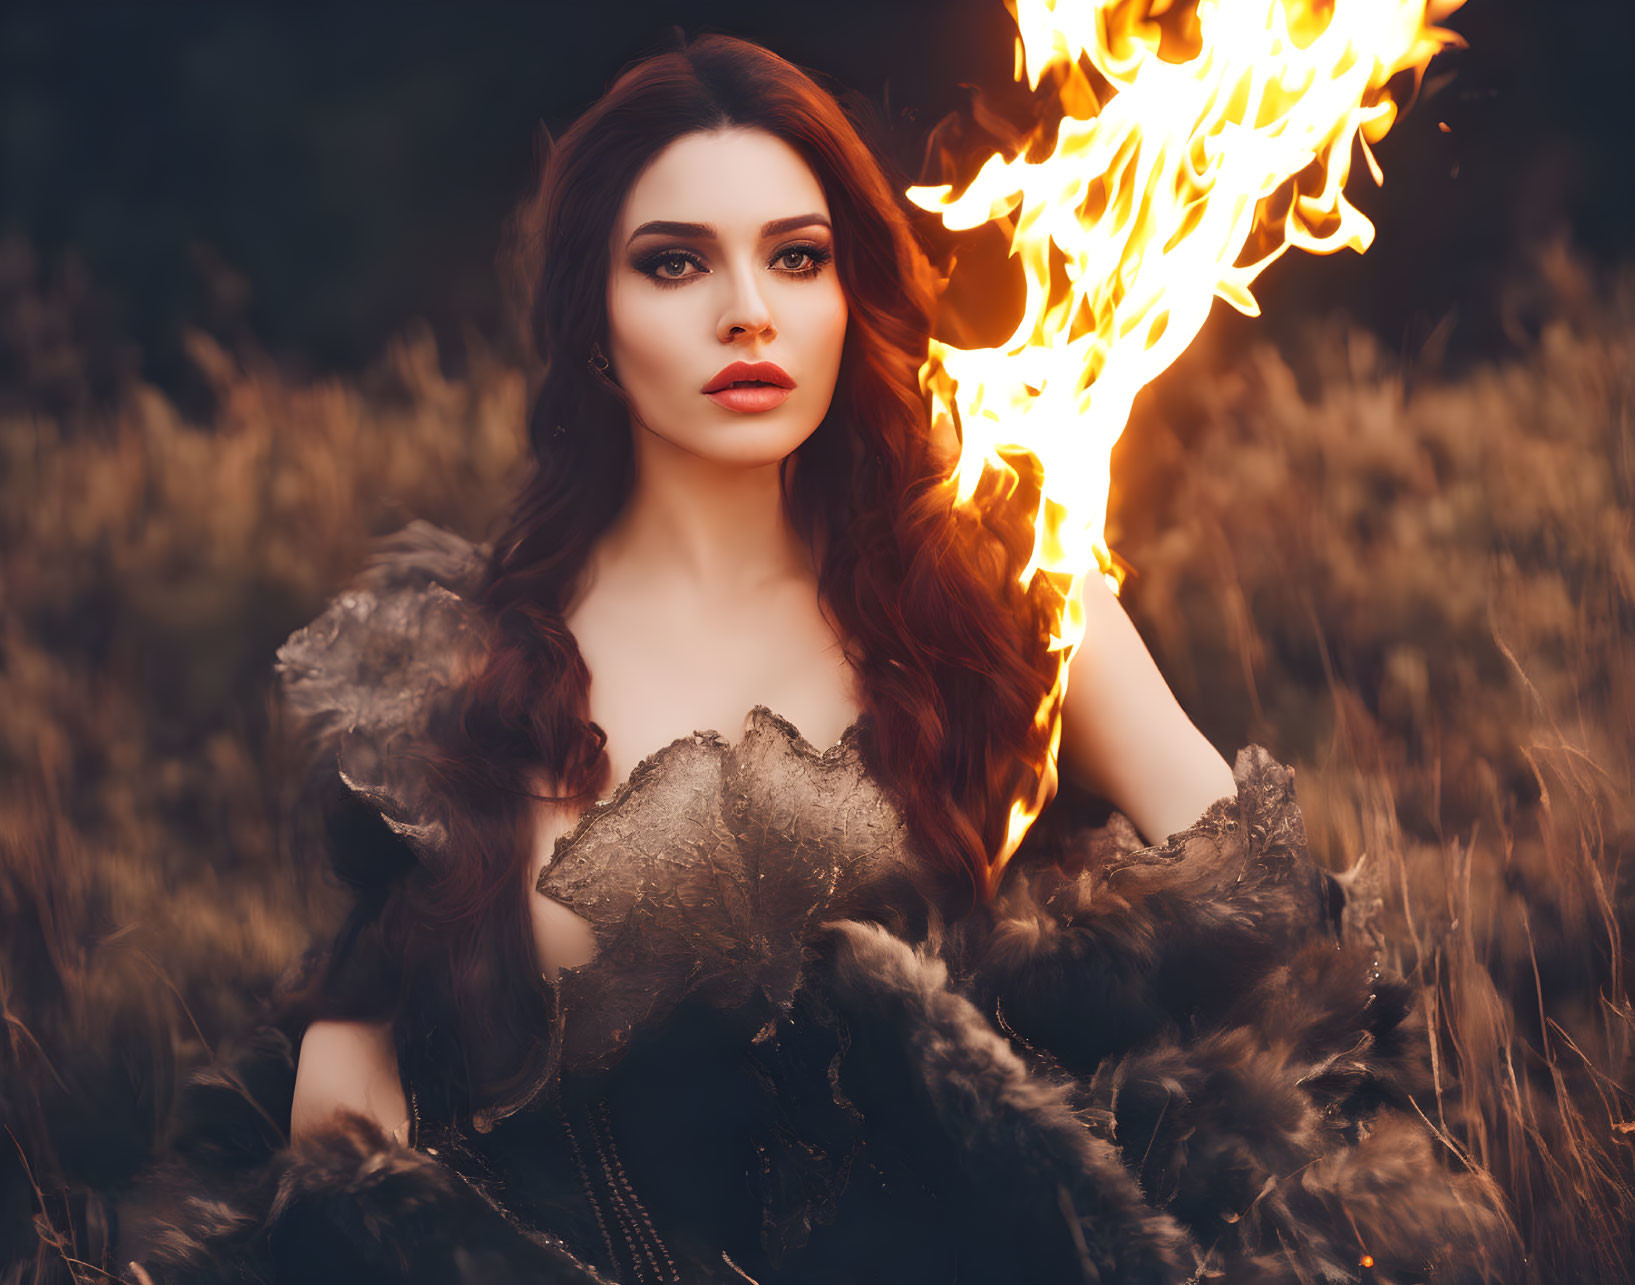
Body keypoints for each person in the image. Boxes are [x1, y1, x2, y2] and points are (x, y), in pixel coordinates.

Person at [119, 32, 1515, 1285]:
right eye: (675, 262)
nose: (749, 310)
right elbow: (349, 1121)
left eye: (799, 256)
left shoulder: (1009, 603)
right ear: (592, 324)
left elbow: (1289, 951)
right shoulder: (465, 677)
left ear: (854, 297)